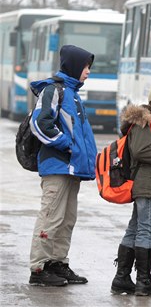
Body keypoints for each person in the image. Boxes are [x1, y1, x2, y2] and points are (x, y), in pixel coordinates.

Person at [28, 45, 97, 287]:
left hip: (71, 169)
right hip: (57, 167)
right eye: (86, 67)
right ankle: (38, 268)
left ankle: (57, 263)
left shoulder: (73, 93)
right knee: (51, 218)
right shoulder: (53, 90)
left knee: (67, 219)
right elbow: (40, 123)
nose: (88, 72)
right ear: (75, 66)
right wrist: (67, 145)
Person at [110, 80, 151, 296]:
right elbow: (140, 150)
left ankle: (121, 278)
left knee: (135, 227)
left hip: (150, 182)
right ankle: (143, 281)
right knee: (146, 229)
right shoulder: (145, 120)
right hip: (147, 182)